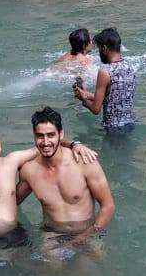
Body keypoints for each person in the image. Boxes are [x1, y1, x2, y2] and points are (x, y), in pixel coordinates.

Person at [0, 121, 97, 262]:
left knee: (31, 273)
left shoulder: (11, 163)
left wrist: (75, 144)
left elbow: (46, 145)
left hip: (16, 234)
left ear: (0, 146)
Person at [18, 107, 115, 252]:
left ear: (61, 134)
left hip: (88, 232)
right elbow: (13, 202)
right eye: (40, 136)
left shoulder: (84, 162)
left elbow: (108, 206)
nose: (45, 142)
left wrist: (85, 237)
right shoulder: (29, 171)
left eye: (51, 135)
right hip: (52, 235)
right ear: (34, 136)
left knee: (92, 264)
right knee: (50, 263)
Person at [73, 26, 136, 132]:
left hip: (112, 128)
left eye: (99, 49)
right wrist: (87, 95)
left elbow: (95, 109)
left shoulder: (105, 72)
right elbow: (116, 99)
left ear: (104, 48)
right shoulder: (130, 67)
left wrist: (83, 99)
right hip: (130, 123)